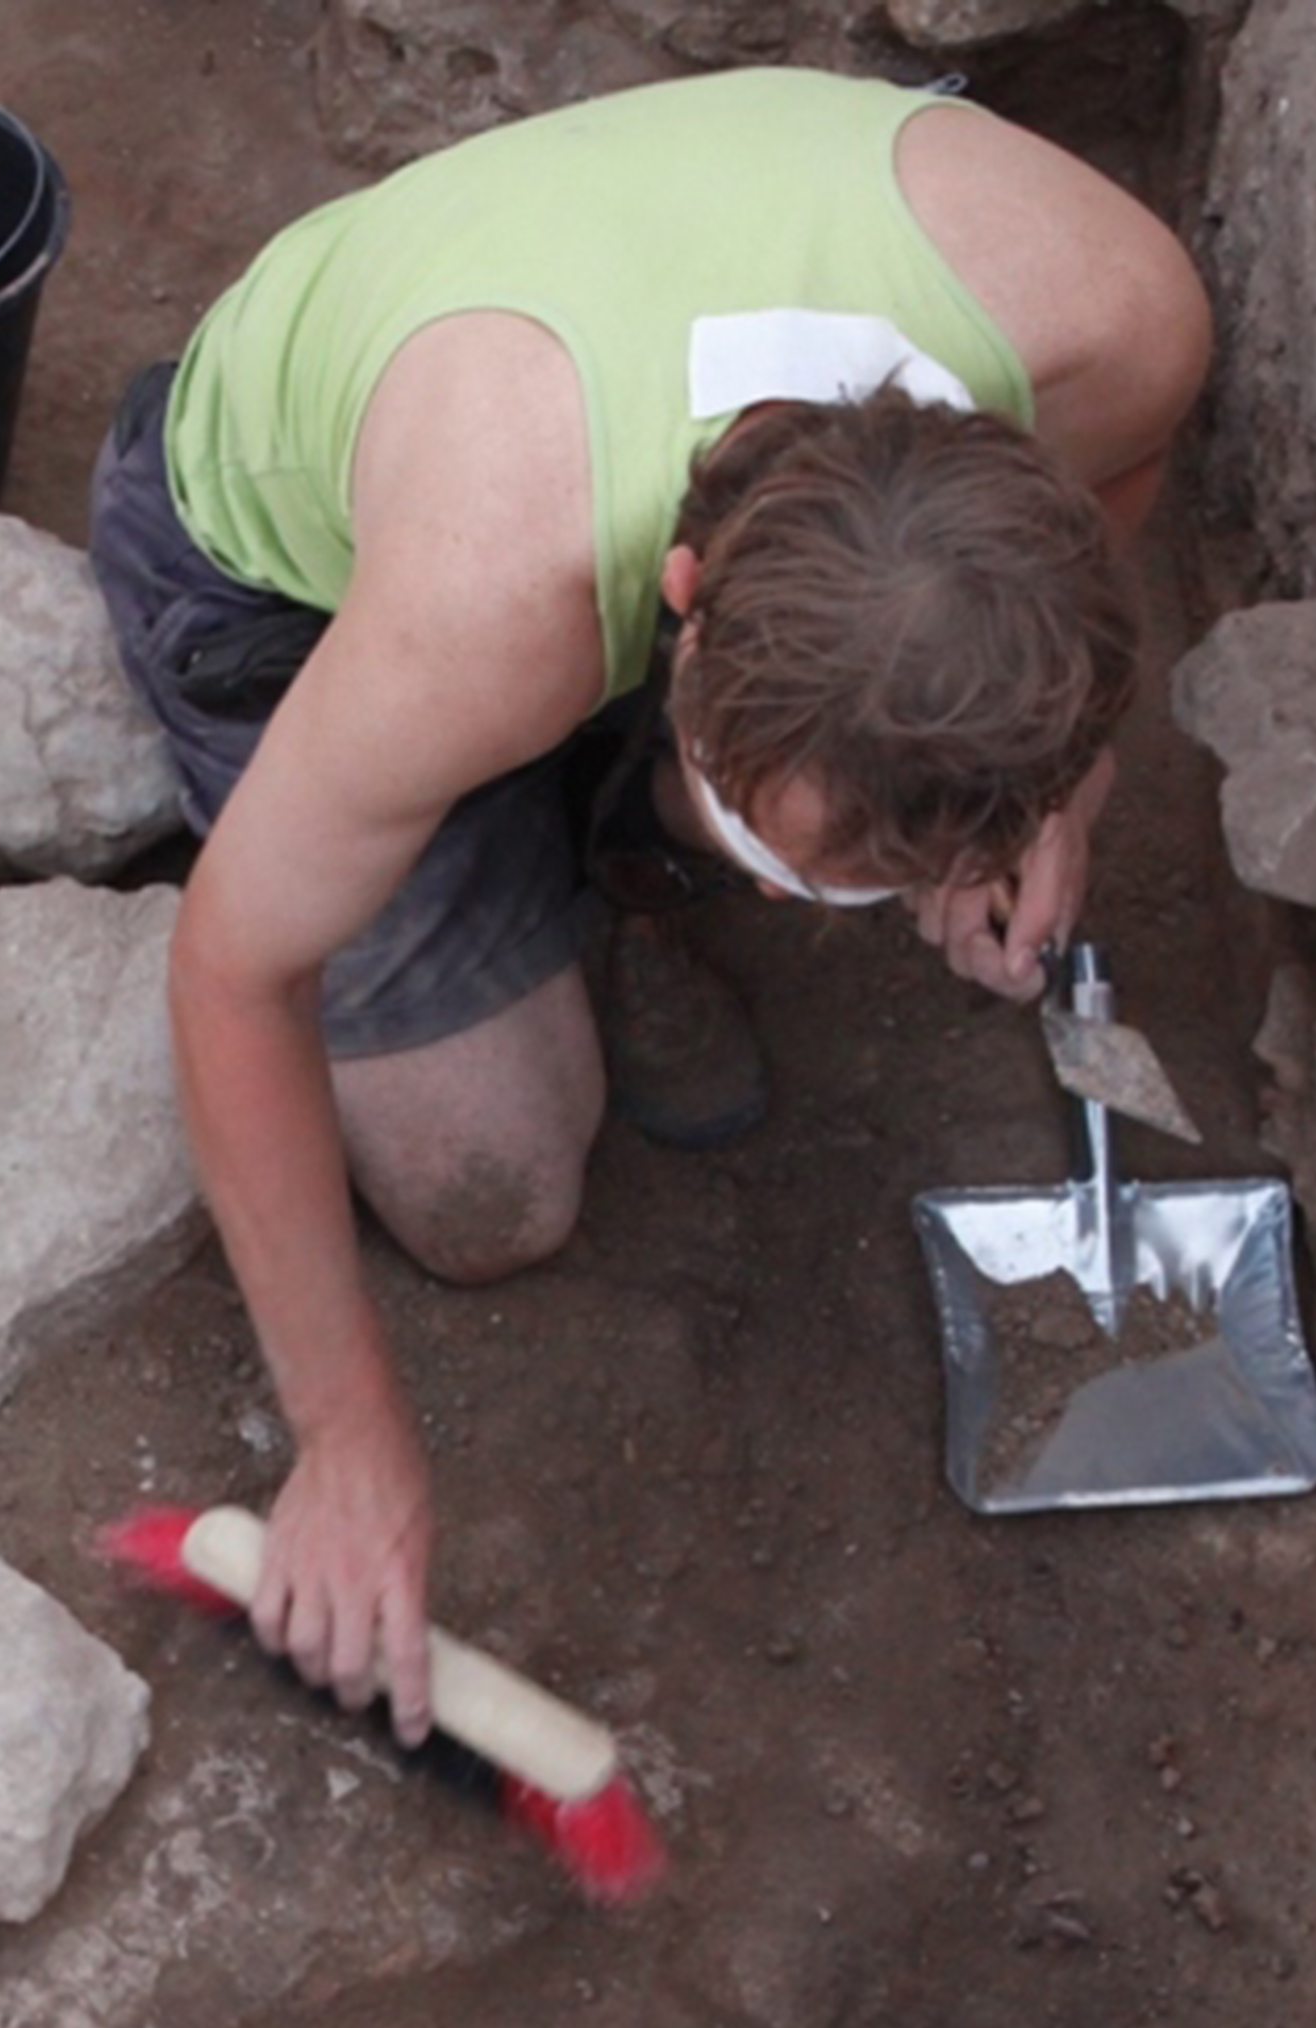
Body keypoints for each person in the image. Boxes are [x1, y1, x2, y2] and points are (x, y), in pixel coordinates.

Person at [90, 66, 1213, 1736]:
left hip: (572, 501)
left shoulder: (1116, 317)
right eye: (793, 856)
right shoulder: (489, 601)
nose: (843, 906)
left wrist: (1060, 798)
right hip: (278, 571)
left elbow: (1102, 517)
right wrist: (347, 1439)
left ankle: (625, 836)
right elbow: (232, 972)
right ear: (680, 606)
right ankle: (590, 835)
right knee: (494, 1189)